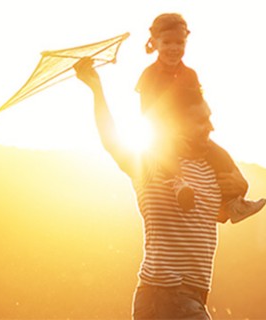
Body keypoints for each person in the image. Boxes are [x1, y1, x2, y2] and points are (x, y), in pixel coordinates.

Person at [75, 57, 222, 319]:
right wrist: (97, 90)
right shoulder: (154, 166)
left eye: (210, 118)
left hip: (195, 293)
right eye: (201, 120)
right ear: (178, 124)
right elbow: (112, 140)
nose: (211, 126)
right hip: (165, 293)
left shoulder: (210, 169)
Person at [140, 12, 265, 223]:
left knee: (220, 155)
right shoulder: (150, 75)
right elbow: (146, 112)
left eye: (179, 42)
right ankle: (178, 184)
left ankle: (233, 203)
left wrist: (198, 128)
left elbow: (198, 104)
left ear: (186, 42)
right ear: (155, 42)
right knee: (165, 150)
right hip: (164, 132)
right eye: (167, 42)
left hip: (190, 130)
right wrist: (168, 132)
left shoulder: (190, 74)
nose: (174, 48)